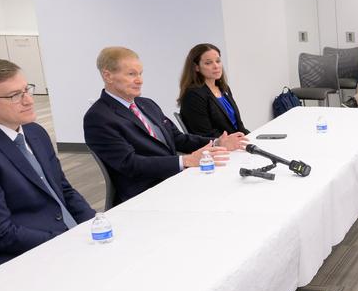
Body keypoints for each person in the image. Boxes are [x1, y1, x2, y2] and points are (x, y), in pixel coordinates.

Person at [0, 58, 96, 276]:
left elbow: (63, 189)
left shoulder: (34, 132)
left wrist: (93, 224)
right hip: (22, 260)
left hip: (69, 241)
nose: (29, 100)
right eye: (15, 96)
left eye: (27, 90)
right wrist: (67, 242)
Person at [84, 46, 246, 206]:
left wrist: (217, 142)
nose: (140, 80)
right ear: (108, 76)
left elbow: (178, 139)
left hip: (173, 180)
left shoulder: (146, 104)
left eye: (140, 73)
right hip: (146, 195)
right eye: (131, 74)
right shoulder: (98, 117)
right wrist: (186, 160)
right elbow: (130, 164)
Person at [177, 43, 248, 137]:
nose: (216, 66)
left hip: (236, 142)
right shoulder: (193, 95)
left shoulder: (224, 88)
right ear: (196, 67)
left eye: (218, 61)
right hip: (218, 147)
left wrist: (252, 138)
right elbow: (205, 134)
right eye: (208, 63)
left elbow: (239, 126)